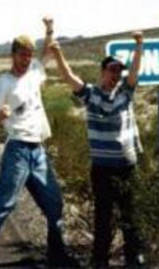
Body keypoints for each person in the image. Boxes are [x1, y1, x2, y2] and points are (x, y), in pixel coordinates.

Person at [0, 17, 79, 269]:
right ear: (13, 55)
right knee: (3, 202)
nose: (26, 59)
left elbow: (48, 51)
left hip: (39, 151)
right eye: (22, 55)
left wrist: (49, 30)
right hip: (18, 150)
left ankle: (57, 255)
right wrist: (0, 115)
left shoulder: (35, 70)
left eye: (29, 55)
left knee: (54, 203)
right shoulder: (3, 83)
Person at [50, 30, 146, 268]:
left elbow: (134, 72)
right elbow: (68, 76)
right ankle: (100, 259)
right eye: (112, 70)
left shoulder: (126, 92)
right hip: (103, 169)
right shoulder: (91, 95)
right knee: (103, 216)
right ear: (102, 72)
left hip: (128, 166)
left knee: (130, 215)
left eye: (118, 71)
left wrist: (139, 46)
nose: (116, 75)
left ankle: (133, 257)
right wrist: (58, 54)